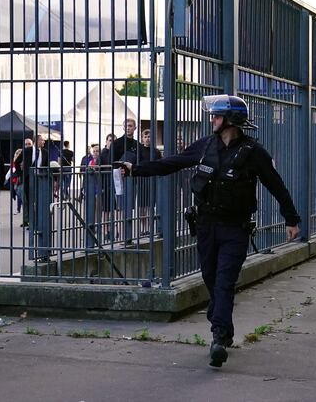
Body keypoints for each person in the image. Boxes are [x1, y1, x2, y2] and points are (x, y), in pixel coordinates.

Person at [121, 95, 301, 367]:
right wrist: (136, 170)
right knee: (209, 276)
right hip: (206, 225)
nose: (211, 120)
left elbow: (276, 185)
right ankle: (222, 324)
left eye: (216, 116)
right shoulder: (205, 146)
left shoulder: (253, 152)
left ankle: (218, 338)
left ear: (231, 121)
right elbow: (173, 163)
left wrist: (291, 218)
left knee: (225, 279)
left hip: (235, 227)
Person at [20, 136, 47, 229]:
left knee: (39, 201)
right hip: (29, 179)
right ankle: (32, 223)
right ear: (37, 141)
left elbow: (46, 166)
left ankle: (38, 222)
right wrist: (22, 173)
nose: (44, 141)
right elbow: (16, 162)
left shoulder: (45, 152)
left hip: (40, 179)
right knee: (30, 201)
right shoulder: (27, 150)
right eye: (42, 140)